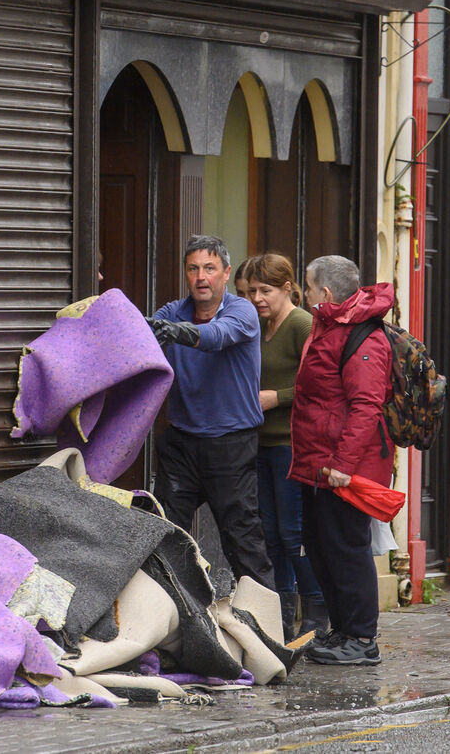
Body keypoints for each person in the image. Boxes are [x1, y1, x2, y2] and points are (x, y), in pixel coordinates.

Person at [148, 234, 274, 589]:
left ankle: (268, 629)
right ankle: (170, 621)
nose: (201, 277)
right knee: (165, 534)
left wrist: (175, 333)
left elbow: (217, 336)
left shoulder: (242, 311)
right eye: (193, 269)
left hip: (230, 446)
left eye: (209, 268)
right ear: (185, 274)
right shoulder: (171, 312)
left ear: (225, 273)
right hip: (182, 443)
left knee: (242, 538)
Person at [289, 255, 394, 665]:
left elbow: (366, 406)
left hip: (344, 467)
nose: (306, 294)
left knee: (348, 549)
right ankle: (343, 631)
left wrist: (343, 466)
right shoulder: (330, 325)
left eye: (310, 287)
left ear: (326, 293)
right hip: (319, 461)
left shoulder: (363, 337)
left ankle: (363, 639)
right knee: (321, 546)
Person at [242, 252, 325, 642]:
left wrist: (277, 397)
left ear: (288, 288)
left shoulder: (302, 324)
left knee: (293, 534)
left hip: (293, 446)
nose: (258, 298)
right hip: (263, 445)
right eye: (252, 291)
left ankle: (316, 614)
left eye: (266, 290)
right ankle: (284, 614)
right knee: (271, 534)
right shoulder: (261, 327)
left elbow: (323, 383)